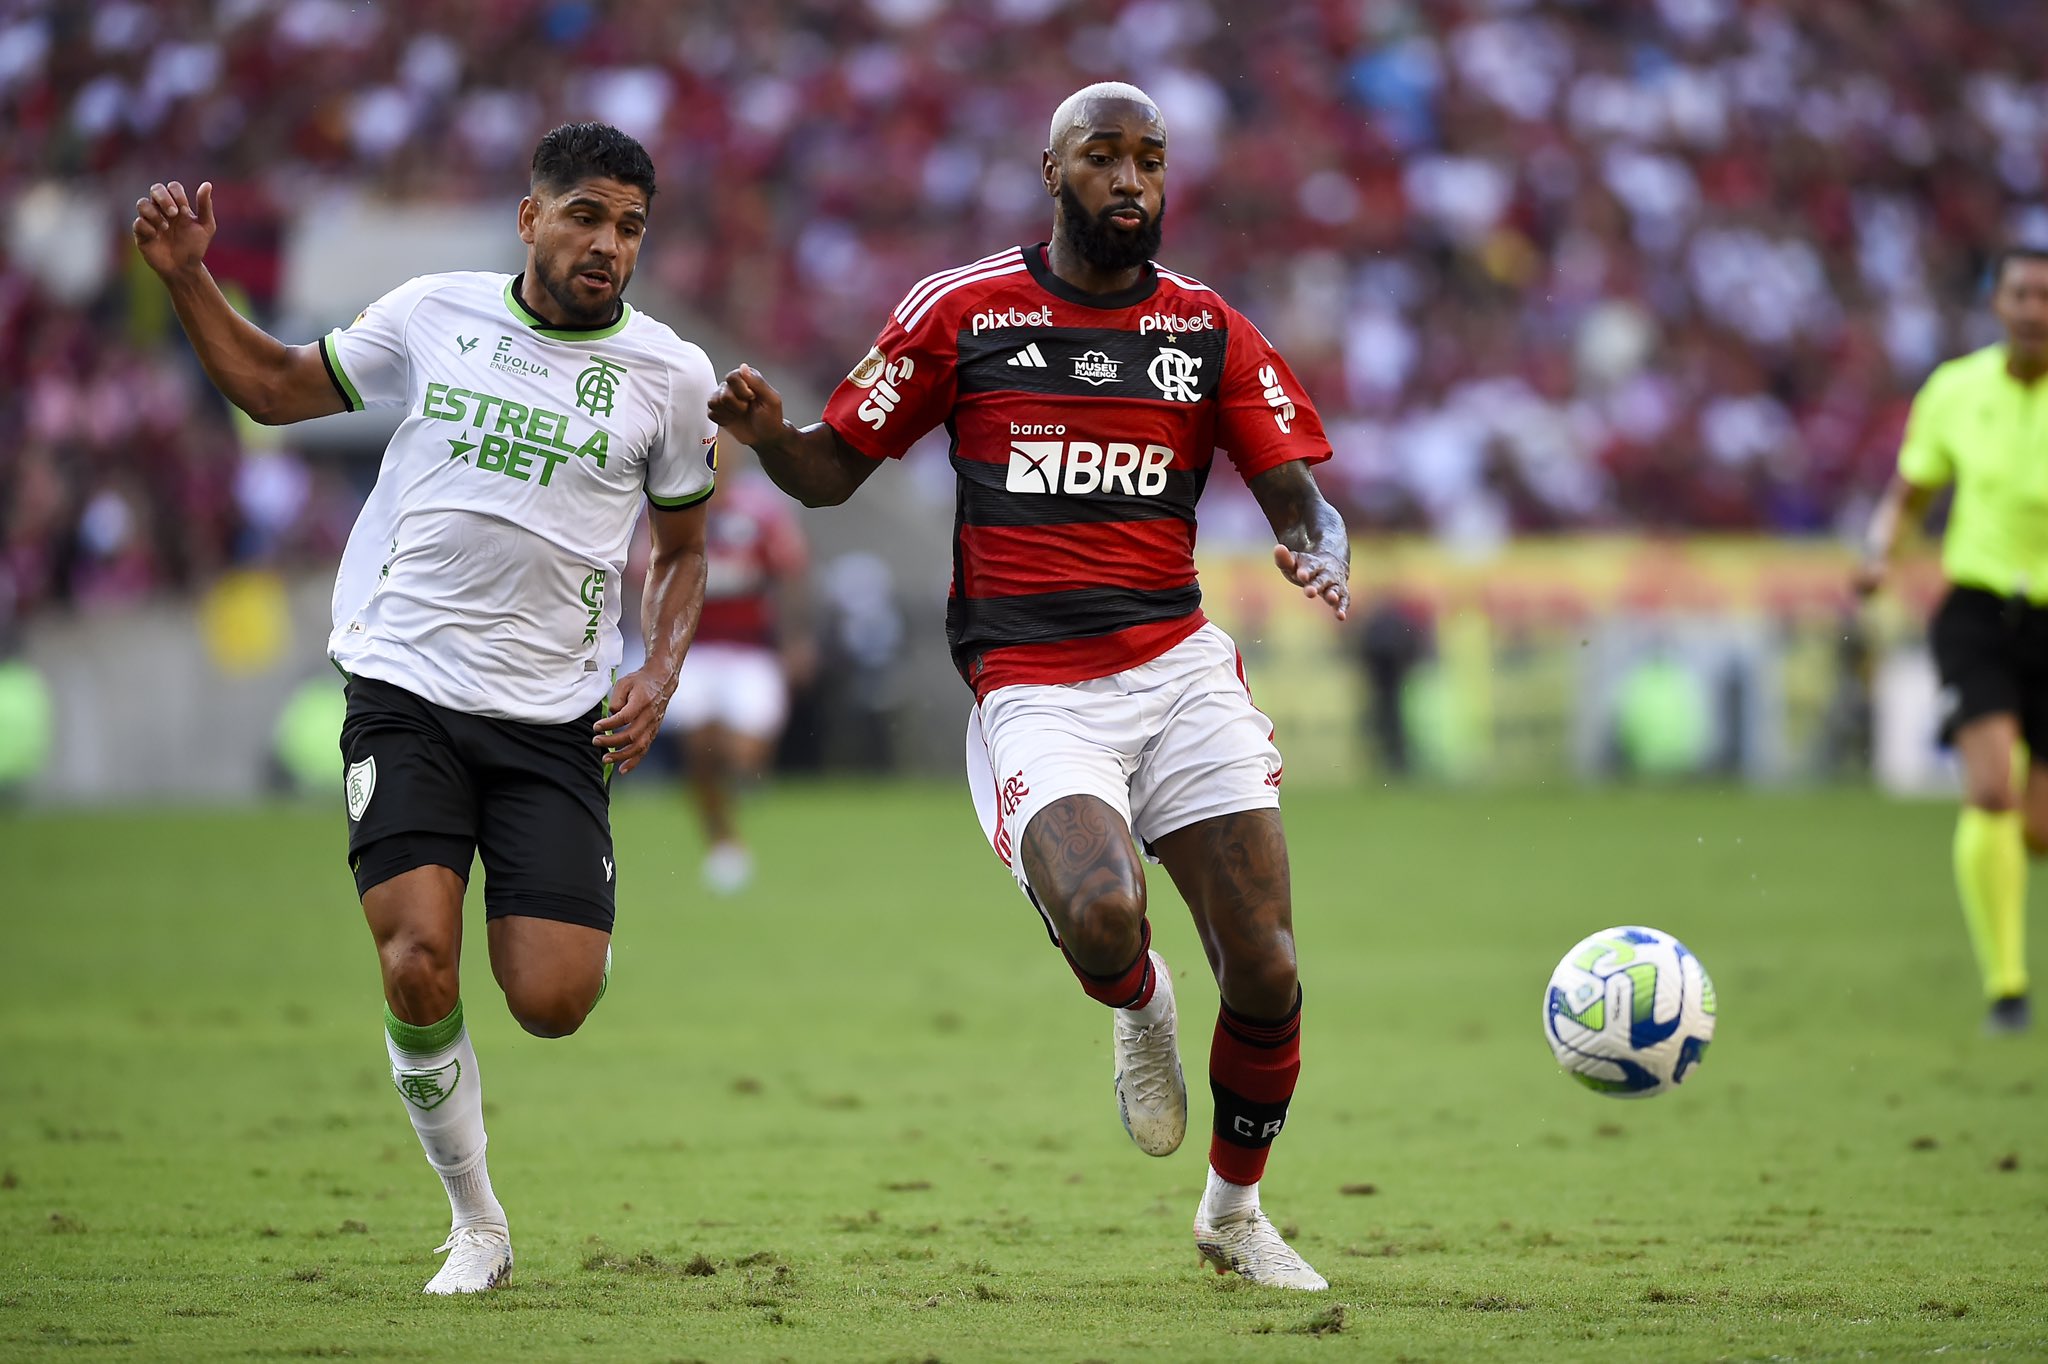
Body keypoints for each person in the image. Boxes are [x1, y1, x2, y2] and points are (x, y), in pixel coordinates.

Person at [710, 82, 1349, 1290]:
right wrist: (770, 432)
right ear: (1051, 172)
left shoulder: (1206, 329)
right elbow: (830, 475)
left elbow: (1294, 489)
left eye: (1148, 159)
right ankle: (1140, 1006)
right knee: (1104, 917)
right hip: (1035, 685)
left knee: (1264, 965)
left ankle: (1232, 1211)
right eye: (1101, 157)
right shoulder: (962, 313)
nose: (1129, 179)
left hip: (1176, 668)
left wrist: (1322, 537)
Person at [132, 122, 718, 1292]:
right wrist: (191, 276)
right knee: (414, 962)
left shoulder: (672, 374)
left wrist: (655, 672)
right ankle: (477, 1222)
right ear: (531, 217)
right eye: (589, 217)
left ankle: (570, 933)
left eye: (631, 227)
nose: (610, 245)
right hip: (404, 686)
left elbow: (685, 546)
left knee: (550, 999)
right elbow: (268, 386)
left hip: (555, 719)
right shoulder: (433, 312)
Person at [1857, 244, 2048, 1036]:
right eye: (2021, 294)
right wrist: (1879, 555)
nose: (2034, 309)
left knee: (2037, 829)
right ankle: (2006, 988)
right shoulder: (1955, 390)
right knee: (1990, 788)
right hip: (1976, 610)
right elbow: (1911, 492)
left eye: (2045, 296)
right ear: (1995, 304)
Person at [667, 464, 812, 893]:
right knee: (698, 744)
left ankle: (728, 813)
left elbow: (790, 573)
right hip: (695, 648)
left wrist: (796, 639)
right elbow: (648, 568)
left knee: (744, 753)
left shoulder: (762, 511)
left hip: (751, 650)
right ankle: (722, 840)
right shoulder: (672, 502)